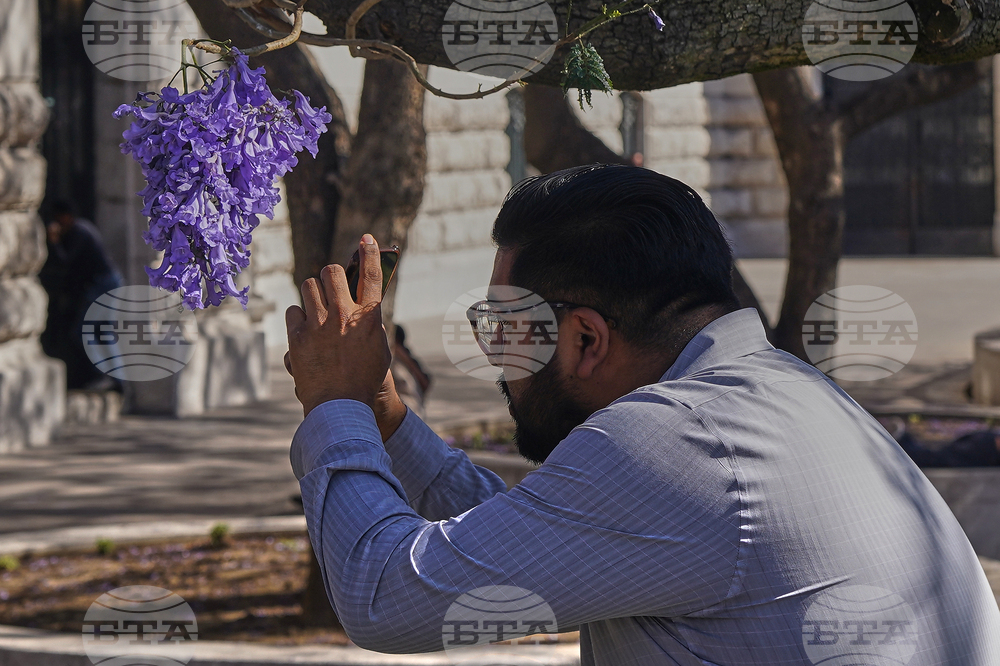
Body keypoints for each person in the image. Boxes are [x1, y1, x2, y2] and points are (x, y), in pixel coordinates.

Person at [283, 165, 1000, 664]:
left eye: (504, 330)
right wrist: (385, 419)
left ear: (586, 338)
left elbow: (382, 595)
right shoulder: (779, 394)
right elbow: (548, 538)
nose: (494, 359)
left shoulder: (678, 440)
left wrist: (334, 403)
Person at [39, 200, 124, 389]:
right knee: (99, 332)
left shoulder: (79, 232)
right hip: (106, 283)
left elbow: (65, 261)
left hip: (104, 284)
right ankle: (115, 378)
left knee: (86, 332)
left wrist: (54, 241)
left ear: (66, 216)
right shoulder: (82, 229)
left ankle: (108, 377)